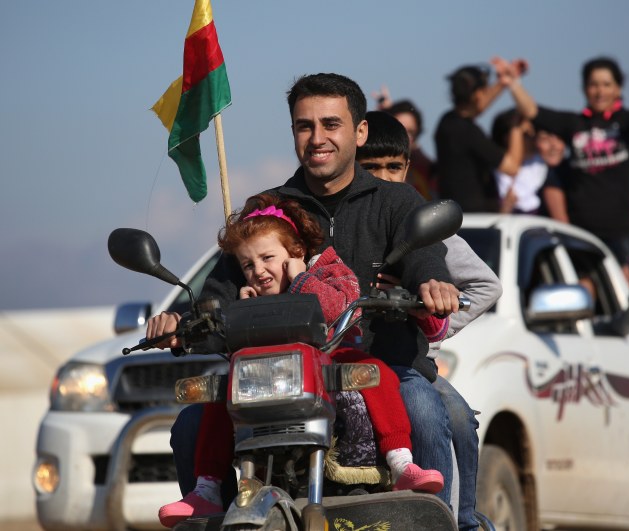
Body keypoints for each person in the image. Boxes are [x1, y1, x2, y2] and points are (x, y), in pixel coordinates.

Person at [146, 73, 461, 509]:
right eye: (304, 126)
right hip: (281, 378)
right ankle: (207, 509)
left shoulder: (397, 201)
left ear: (360, 131)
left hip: (381, 367)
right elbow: (218, 293)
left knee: (428, 410)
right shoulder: (268, 209)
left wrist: (431, 283)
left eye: (331, 124)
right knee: (189, 424)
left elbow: (424, 257)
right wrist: (181, 324)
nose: (317, 138)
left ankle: (444, 518)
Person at [157, 194, 445, 527]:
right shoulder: (250, 293)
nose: (257, 270)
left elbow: (341, 304)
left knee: (378, 373)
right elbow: (225, 336)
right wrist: (236, 312)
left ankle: (401, 462)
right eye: (248, 265)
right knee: (223, 389)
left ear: (296, 251)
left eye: (267, 257)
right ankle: (207, 489)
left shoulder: (328, 269)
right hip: (272, 376)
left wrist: (300, 280)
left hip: (330, 361)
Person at [357, 110, 503, 531]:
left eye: (393, 167)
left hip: (411, 359)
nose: (384, 177)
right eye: (371, 168)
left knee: (454, 417)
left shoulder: (422, 223)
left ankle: (464, 518)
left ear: (408, 167)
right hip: (350, 358)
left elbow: (486, 287)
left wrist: (433, 328)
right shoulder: (351, 221)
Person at [510, 39, 629, 266]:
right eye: (593, 84)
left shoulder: (628, 124)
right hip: (582, 235)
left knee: (626, 297)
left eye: (607, 84)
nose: (600, 91)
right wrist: (512, 82)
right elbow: (533, 111)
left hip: (624, 234)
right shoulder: (574, 124)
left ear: (618, 88)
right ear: (584, 88)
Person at [434, 58, 527, 212]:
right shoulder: (469, 133)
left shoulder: (446, 122)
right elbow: (512, 167)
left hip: (454, 215)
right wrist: (516, 126)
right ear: (477, 94)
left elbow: (478, 106)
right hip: (476, 218)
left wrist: (503, 82)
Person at [491, 108, 565, 214]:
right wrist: (505, 209)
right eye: (525, 134)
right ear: (507, 138)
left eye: (533, 133)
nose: (532, 138)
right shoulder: (490, 174)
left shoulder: (546, 170)